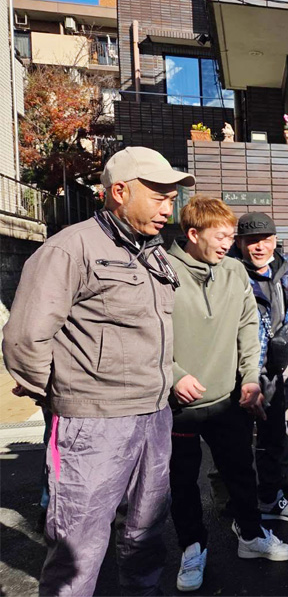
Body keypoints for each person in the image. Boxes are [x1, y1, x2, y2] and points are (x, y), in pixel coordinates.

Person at [2, 146, 193, 596]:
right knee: (78, 549)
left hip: (154, 416)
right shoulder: (70, 248)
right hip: (92, 423)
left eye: (171, 199)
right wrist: (59, 395)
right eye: (159, 197)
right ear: (119, 192)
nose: (168, 209)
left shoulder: (154, 253)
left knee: (145, 536)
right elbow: (25, 337)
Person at [168, 197, 288, 593]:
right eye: (221, 236)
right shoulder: (162, 270)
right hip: (179, 404)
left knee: (241, 471)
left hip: (227, 399)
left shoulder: (234, 271)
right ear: (193, 234)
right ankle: (192, 547)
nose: (229, 244)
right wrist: (172, 375)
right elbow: (145, 332)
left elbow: (247, 327)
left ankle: (252, 535)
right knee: (182, 482)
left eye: (230, 237)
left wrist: (250, 378)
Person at [233, 212, 288, 516]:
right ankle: (240, 509)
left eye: (265, 240)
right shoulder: (230, 273)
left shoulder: (285, 271)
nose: (259, 247)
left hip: (275, 372)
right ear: (239, 243)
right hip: (239, 374)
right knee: (237, 447)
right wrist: (247, 375)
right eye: (251, 241)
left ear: (275, 240)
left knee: (273, 438)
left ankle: (268, 499)